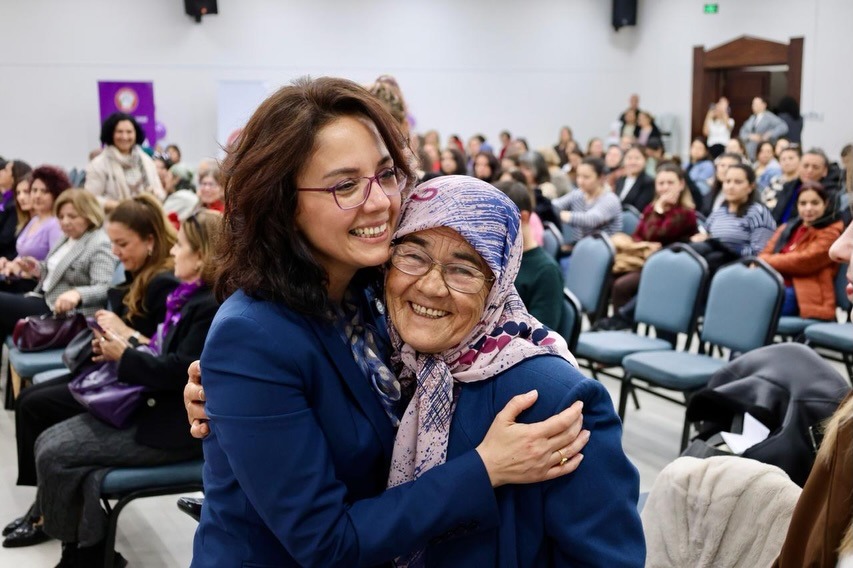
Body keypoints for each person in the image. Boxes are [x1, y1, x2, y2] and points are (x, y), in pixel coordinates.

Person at [187, 77, 588, 567]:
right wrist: (485, 469)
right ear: (283, 204)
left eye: (386, 173)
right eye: (345, 185)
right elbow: (328, 544)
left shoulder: (369, 293)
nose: (379, 201)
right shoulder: (253, 337)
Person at [381, 175, 644, 566]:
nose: (432, 286)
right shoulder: (381, 368)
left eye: (463, 270)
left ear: (498, 285)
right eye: (414, 256)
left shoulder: (555, 399)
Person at [33, 210, 220, 566]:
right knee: (59, 452)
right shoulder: (189, 297)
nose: (174, 251)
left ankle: (80, 551)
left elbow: (182, 371)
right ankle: (87, 552)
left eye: (180, 245)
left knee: (54, 454)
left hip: (172, 428)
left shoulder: (209, 306)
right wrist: (127, 344)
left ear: (202, 255)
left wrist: (125, 355)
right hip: (152, 407)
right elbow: (166, 353)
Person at [4, 194, 181, 549]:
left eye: (122, 244)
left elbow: (161, 351)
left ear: (150, 240)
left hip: (131, 384)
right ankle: (47, 499)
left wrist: (121, 336)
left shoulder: (164, 283)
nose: (115, 252)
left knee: (37, 406)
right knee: (32, 400)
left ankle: (47, 509)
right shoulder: (141, 273)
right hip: (118, 371)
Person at [773, 183, 853, 566]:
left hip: (809, 302)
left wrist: (766, 261)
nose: (842, 250)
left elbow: (800, 261)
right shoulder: (791, 228)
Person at [0, 189, 115, 340]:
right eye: (61, 217)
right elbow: (55, 272)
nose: (65, 222)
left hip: (64, 312)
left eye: (72, 216)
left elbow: (104, 288)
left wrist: (77, 294)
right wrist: (36, 269)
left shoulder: (99, 243)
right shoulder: (68, 238)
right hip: (43, 298)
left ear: (89, 215)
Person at [596, 164, 699, 330]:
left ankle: (622, 328)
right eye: (661, 183)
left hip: (666, 267)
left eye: (670, 183)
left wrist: (658, 210)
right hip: (644, 260)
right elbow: (638, 235)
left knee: (622, 285)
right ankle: (605, 327)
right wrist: (643, 243)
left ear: (681, 184)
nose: (665, 187)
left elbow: (657, 233)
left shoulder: (686, 213)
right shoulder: (651, 208)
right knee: (606, 279)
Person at [759, 182, 842, 320]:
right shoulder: (787, 228)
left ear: (825, 204)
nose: (808, 208)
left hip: (805, 295)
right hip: (774, 284)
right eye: (803, 203)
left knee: (753, 306)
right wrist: (764, 260)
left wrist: (765, 261)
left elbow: (802, 262)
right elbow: (764, 253)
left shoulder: (831, 232)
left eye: (815, 203)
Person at [494, 180, 564, 330]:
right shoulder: (496, 258)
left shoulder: (546, 271)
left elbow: (541, 335)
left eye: (498, 220)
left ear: (523, 217)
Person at [690, 163, 777, 272]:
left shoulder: (758, 213)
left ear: (751, 187)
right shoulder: (719, 212)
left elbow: (761, 252)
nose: (731, 186)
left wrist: (730, 248)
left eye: (738, 182)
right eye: (727, 181)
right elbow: (706, 235)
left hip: (738, 269)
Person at [0, 165, 67, 292]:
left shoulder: (55, 224)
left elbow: (56, 267)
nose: (37, 196)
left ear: (56, 193)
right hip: (20, 280)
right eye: (34, 190)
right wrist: (8, 264)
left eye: (44, 191)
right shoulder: (35, 220)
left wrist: (23, 270)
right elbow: (21, 255)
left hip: (38, 288)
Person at [85, 112, 165, 211]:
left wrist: (155, 196)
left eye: (129, 132)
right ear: (111, 133)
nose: (125, 137)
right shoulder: (98, 164)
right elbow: (90, 199)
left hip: (146, 219)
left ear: (136, 134)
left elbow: (159, 191)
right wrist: (120, 206)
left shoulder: (147, 161)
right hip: (113, 221)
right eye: (119, 132)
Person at [554, 157, 622, 243]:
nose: (580, 181)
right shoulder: (578, 194)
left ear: (601, 178)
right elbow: (555, 205)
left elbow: (591, 219)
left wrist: (560, 214)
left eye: (586, 177)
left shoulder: (610, 199)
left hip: (601, 250)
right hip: (579, 246)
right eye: (578, 176)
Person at [772, 148, 838, 224]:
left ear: (824, 171)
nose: (809, 170)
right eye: (805, 166)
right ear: (799, 166)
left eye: (815, 167)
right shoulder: (789, 186)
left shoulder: (830, 193)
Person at [0, 159, 33, 260]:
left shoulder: (14, 206)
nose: (0, 172)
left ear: (14, 176)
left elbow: (5, 240)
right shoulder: (5, 200)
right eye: (19, 193)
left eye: (5, 170)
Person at [739, 96, 789, 161]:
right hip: (749, 152)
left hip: (763, 151)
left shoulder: (769, 117)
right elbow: (742, 132)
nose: (753, 106)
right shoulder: (752, 118)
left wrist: (770, 134)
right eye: (753, 104)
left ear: (764, 105)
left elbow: (783, 127)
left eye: (756, 104)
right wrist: (750, 136)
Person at [700, 152, 744, 217]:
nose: (725, 169)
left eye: (731, 166)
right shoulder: (711, 194)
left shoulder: (742, 196)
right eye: (722, 165)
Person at [614, 145, 656, 212]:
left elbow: (639, 208)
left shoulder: (648, 182)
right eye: (629, 158)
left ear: (645, 160)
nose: (633, 162)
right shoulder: (620, 180)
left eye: (637, 158)